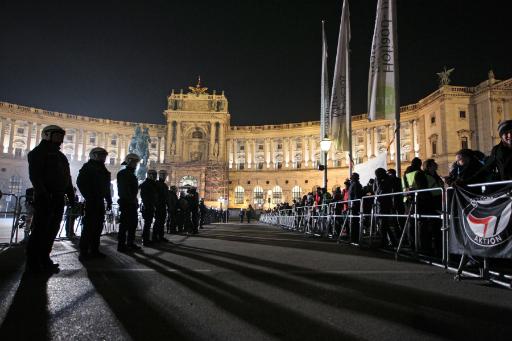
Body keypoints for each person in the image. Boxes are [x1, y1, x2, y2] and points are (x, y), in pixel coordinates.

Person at [26, 125, 75, 274]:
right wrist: (43, 194)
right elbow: (35, 176)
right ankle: (33, 263)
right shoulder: (38, 152)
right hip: (46, 197)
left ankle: (44, 258)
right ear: (47, 135)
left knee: (52, 229)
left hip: (58, 197)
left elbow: (67, 176)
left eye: (61, 135)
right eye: (57, 135)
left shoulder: (61, 156)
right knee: (40, 230)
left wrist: (70, 194)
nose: (61, 138)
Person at [76, 147, 112, 260]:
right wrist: (89, 196)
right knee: (89, 226)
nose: (104, 158)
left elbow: (106, 186)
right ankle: (84, 251)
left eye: (104, 156)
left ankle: (95, 250)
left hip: (99, 201)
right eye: (102, 155)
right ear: (94, 155)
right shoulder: (88, 167)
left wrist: (109, 199)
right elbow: (80, 182)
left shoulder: (103, 169)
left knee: (98, 226)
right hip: (92, 201)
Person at [117, 153, 141, 252]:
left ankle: (130, 243)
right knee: (124, 225)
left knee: (133, 224)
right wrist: (130, 200)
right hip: (126, 202)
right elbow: (124, 189)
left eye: (136, 162)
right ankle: (121, 245)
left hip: (131, 202)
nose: (136, 164)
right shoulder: (123, 173)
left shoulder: (131, 174)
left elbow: (132, 189)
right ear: (129, 161)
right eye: (134, 162)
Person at [373, 168, 397, 248]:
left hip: (384, 204)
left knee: (383, 224)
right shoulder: (381, 180)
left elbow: (380, 191)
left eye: (377, 174)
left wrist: (378, 181)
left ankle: (385, 242)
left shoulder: (386, 180)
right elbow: (375, 190)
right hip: (381, 204)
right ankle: (391, 241)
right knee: (384, 224)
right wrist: (377, 181)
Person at [139, 169, 158, 245]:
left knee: (148, 223)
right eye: (153, 175)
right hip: (148, 206)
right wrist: (149, 205)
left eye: (155, 175)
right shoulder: (147, 184)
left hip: (150, 205)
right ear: (149, 175)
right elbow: (144, 196)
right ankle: (145, 240)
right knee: (147, 223)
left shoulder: (151, 184)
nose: (155, 177)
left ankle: (145, 238)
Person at [154, 170, 170, 242]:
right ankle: (155, 236)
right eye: (163, 175)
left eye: (165, 175)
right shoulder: (157, 184)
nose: (164, 176)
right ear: (160, 175)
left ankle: (160, 236)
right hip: (159, 205)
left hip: (163, 205)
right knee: (158, 221)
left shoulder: (164, 185)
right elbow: (156, 195)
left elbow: (166, 196)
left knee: (162, 221)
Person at [348, 172, 363, 243]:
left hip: (355, 206)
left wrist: (353, 205)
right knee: (353, 222)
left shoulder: (356, 184)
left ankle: (355, 238)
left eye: (352, 176)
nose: (351, 178)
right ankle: (353, 238)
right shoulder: (353, 184)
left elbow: (356, 196)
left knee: (355, 222)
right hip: (352, 205)